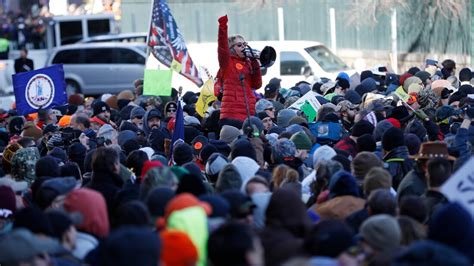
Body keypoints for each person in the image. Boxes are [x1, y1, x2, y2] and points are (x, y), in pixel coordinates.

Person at [217, 15, 262, 129]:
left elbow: (257, 85)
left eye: (245, 44)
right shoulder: (227, 62)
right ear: (231, 48)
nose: (243, 47)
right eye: (239, 45)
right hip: (231, 115)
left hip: (248, 115)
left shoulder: (248, 63)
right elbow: (222, 47)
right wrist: (223, 26)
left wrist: (255, 63)